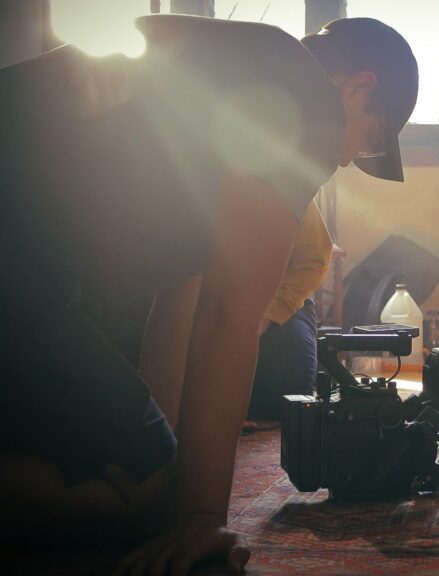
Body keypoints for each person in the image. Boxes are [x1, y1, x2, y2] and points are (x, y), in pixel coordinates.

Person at [0, 14, 417, 575]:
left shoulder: (235, 65)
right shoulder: (305, 99)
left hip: (30, 271)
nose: (346, 159)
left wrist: (164, 457)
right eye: (368, 141)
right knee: (143, 495)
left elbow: (184, 304)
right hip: (19, 271)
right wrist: (197, 516)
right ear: (360, 87)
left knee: (141, 471)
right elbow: (227, 315)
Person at [244, 200, 333, 429]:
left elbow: (313, 260)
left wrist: (266, 315)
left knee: (292, 395)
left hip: (278, 300)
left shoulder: (291, 190)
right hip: (203, 302)